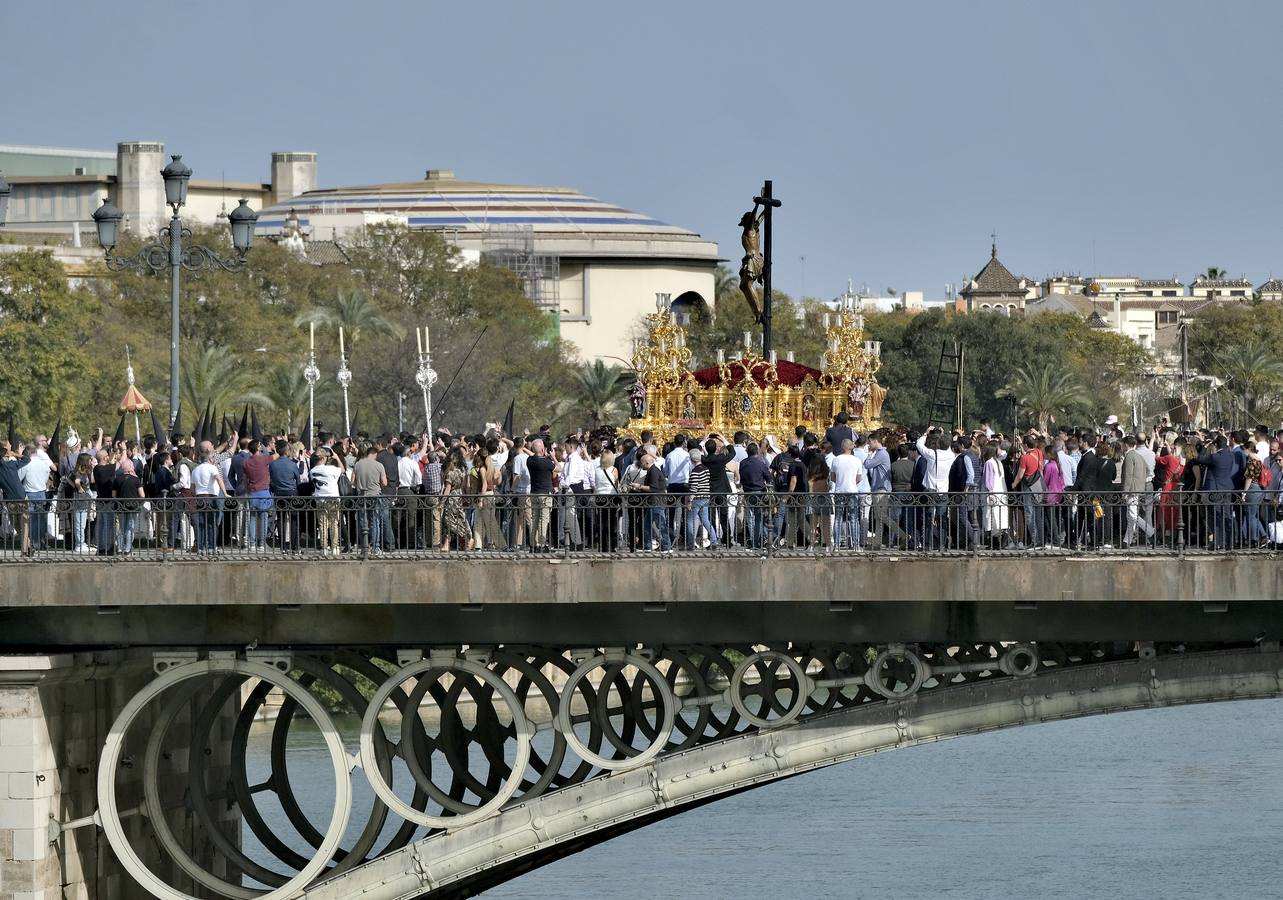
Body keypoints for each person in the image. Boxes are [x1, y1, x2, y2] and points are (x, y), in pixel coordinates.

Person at [352, 445, 389, 556]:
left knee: (363, 522)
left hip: (361, 497)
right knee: (375, 522)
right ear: (374, 454)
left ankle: (364, 546)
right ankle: (375, 547)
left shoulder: (357, 464)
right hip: (375, 496)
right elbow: (385, 483)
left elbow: (352, 482)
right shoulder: (379, 465)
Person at [190, 448, 225, 554]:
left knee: (201, 523)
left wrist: (195, 494)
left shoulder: (195, 470)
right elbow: (219, 480)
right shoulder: (212, 468)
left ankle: (200, 547)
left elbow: (192, 487)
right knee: (211, 523)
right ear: (209, 459)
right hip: (210, 496)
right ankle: (211, 546)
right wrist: (225, 493)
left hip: (199, 497)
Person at [310, 447, 344, 555]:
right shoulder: (330, 469)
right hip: (333, 499)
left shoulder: (312, 471)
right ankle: (335, 547)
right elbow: (342, 470)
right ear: (324, 458)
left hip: (320, 500)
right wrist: (337, 458)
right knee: (334, 523)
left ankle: (324, 547)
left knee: (322, 524)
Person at [738, 442, 771, 549]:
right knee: (758, 518)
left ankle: (754, 541)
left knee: (750, 517)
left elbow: (741, 477)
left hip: (747, 492)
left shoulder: (743, 463)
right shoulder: (761, 463)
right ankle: (757, 542)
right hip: (758, 492)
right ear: (757, 451)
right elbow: (768, 478)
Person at [526, 439, 557, 552]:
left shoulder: (529, 460)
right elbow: (559, 468)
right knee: (543, 519)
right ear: (543, 449)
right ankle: (542, 544)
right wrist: (553, 457)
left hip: (534, 493)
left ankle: (533, 544)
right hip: (545, 494)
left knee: (534, 519)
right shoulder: (546, 462)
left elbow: (533, 454)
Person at [685, 447, 716, 550]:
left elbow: (693, 489)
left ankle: (690, 543)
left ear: (691, 460)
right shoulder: (706, 469)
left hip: (697, 498)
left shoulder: (695, 472)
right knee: (705, 520)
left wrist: (689, 501)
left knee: (690, 521)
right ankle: (714, 541)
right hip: (706, 497)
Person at [113, 457, 145, 555]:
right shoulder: (136, 479)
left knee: (121, 528)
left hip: (121, 506)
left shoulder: (117, 479)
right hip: (133, 506)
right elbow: (142, 495)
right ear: (131, 466)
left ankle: (119, 548)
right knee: (130, 527)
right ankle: (127, 549)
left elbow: (113, 495)